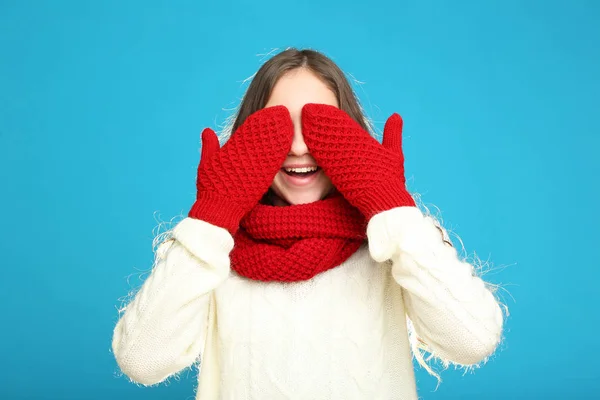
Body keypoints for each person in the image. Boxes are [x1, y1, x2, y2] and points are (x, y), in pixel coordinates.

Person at [111, 48, 505, 399]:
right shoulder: (211, 249)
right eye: (278, 127)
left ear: (351, 135)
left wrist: (393, 207)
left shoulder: (393, 242)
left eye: (321, 126)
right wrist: (212, 216)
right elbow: (141, 360)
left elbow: (473, 340)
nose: (299, 146)